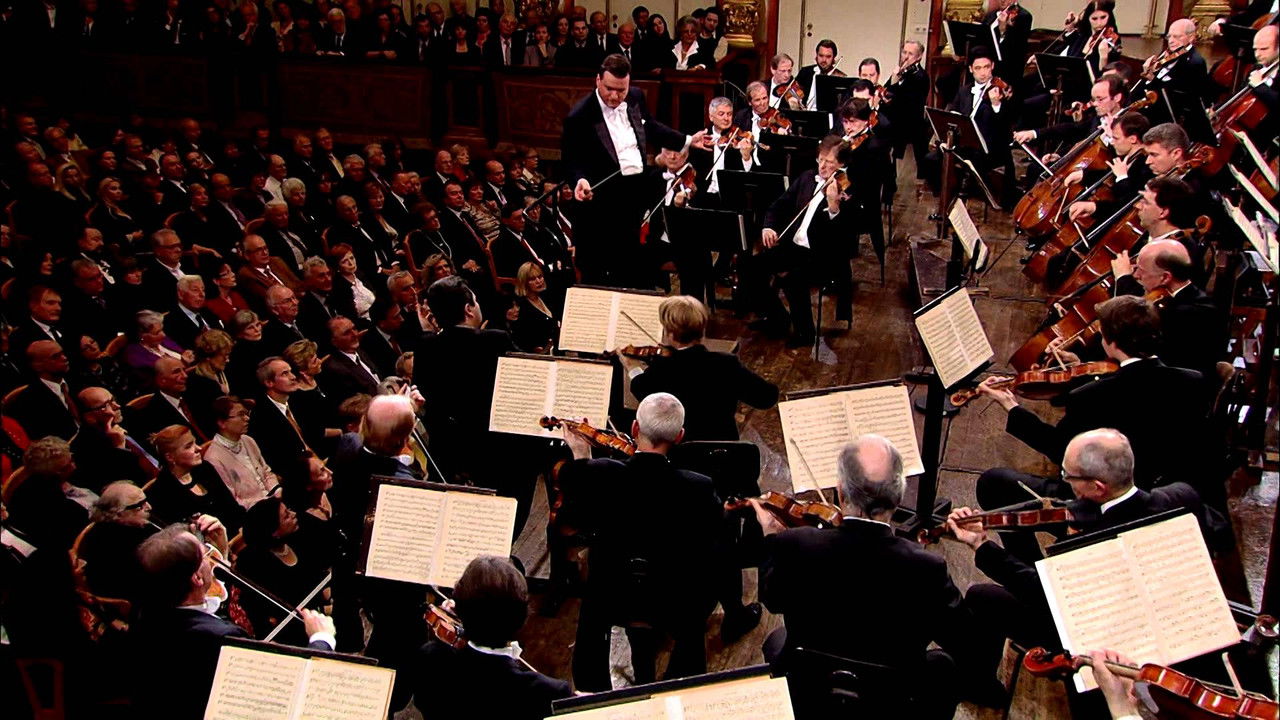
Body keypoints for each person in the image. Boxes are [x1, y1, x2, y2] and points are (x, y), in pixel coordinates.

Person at [952, 429, 1210, 703]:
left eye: (1068, 476)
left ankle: (983, 689)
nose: (1065, 481)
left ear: (1098, 487)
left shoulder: (1087, 549)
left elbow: (1044, 594)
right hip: (1170, 609)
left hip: (1108, 641)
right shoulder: (1183, 495)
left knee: (981, 597)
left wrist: (981, 545)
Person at [974, 295, 1224, 538]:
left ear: (1111, 343)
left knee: (994, 483)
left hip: (1109, 505)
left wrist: (1011, 406)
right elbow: (1140, 395)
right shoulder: (1194, 381)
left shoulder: (1090, 397)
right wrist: (1082, 369)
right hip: (1169, 497)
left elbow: (1059, 449)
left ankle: (1031, 563)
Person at [752, 434, 964, 719]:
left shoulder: (795, 544)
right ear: (898, 497)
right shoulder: (927, 567)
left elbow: (773, 599)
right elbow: (960, 638)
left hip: (813, 685)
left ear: (841, 492)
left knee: (778, 639)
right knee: (943, 665)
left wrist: (771, 539)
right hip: (891, 697)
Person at [560, 393, 722, 690]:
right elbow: (709, 544)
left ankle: (594, 688)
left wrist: (582, 458)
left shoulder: (601, 474)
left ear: (635, 429)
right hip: (670, 595)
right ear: (679, 436)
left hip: (612, 592)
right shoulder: (699, 487)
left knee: (594, 599)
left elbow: (573, 518)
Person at [128, 522, 336, 719]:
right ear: (197, 578)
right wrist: (321, 639)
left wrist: (223, 550)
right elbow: (284, 691)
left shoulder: (145, 616)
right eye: (206, 555)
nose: (213, 559)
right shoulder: (221, 637)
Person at [560, 53, 706, 287]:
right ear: (598, 80)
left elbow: (650, 127)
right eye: (609, 89)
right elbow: (570, 160)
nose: (615, 96)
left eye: (621, 90)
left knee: (630, 268)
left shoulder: (636, 96)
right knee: (597, 273)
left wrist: (687, 140)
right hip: (601, 203)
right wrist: (579, 180)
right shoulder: (579, 116)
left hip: (633, 195)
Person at [412, 555, 572, 720]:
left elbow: (423, 702)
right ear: (522, 618)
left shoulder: (429, 659)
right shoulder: (550, 692)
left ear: (459, 608)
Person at [746, 134, 853, 347]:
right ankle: (778, 318)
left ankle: (806, 332)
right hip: (794, 247)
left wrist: (833, 207)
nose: (822, 166)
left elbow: (843, 239)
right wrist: (768, 226)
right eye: (820, 160)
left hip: (822, 255)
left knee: (793, 278)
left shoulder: (848, 189)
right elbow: (779, 205)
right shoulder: (807, 177)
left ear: (841, 164)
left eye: (829, 162)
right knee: (750, 267)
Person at [624, 296, 777, 441]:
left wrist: (632, 368)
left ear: (669, 334)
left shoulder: (662, 368)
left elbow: (641, 389)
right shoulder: (726, 364)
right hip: (723, 448)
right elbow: (767, 397)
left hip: (681, 450)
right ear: (702, 329)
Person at [234, 496, 330, 643]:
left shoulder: (299, 539)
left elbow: (318, 575)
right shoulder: (255, 563)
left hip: (317, 614)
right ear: (274, 532)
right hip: (291, 633)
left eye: (289, 510)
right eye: (286, 516)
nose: (293, 514)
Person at [147, 424, 244, 534]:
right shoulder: (162, 493)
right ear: (170, 457)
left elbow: (233, 508)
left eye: (195, 442)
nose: (199, 448)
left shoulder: (204, 468)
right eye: (189, 446)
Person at [77, 481, 157, 600]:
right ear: (119, 513)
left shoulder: (138, 525)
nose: (149, 507)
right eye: (140, 506)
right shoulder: (106, 543)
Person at [203, 395, 279, 509]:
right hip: (253, 510)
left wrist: (276, 490)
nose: (247, 418)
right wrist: (265, 504)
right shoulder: (213, 458)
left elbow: (266, 471)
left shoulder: (248, 440)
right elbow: (232, 499)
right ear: (222, 422)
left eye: (246, 413)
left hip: (273, 500)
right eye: (241, 414)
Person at [509, 262, 559, 353]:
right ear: (524, 282)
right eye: (532, 279)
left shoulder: (546, 297)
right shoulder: (521, 306)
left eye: (540, 277)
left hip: (555, 348)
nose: (538, 281)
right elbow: (521, 339)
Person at [980, 0, 1033, 81]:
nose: (1003, 0)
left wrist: (1002, 31)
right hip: (986, 64)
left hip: (1007, 70)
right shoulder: (991, 15)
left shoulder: (1023, 16)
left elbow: (1016, 48)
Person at [795, 39, 842, 111]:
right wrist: (795, 101)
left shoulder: (839, 77)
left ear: (833, 58)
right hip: (805, 113)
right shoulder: (805, 72)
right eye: (821, 55)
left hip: (827, 115)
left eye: (828, 56)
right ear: (816, 55)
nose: (824, 60)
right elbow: (794, 91)